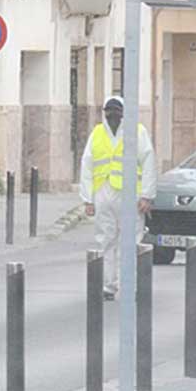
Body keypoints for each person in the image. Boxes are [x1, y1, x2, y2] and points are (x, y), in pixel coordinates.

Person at [78, 96, 157, 300]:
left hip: (130, 193)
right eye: (109, 111)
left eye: (116, 111)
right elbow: (87, 165)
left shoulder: (137, 132)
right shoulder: (97, 133)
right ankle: (108, 285)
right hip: (103, 192)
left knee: (130, 241)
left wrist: (147, 195)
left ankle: (129, 284)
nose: (113, 115)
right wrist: (88, 199)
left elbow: (148, 163)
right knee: (106, 240)